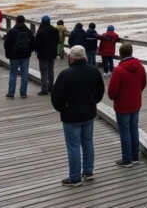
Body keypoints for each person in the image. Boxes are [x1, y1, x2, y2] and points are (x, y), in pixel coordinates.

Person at [51, 45, 104, 187]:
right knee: (88, 142)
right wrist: (92, 102)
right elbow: (100, 92)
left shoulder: (65, 74)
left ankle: (75, 178)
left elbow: (56, 97)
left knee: (73, 146)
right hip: (89, 113)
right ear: (85, 56)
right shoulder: (94, 71)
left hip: (71, 116)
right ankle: (88, 172)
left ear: (71, 58)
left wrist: (63, 109)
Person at [107, 42, 146, 167]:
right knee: (134, 129)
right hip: (136, 103)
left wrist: (115, 97)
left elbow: (112, 92)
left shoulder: (119, 70)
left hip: (122, 105)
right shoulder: (140, 66)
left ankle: (127, 159)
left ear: (120, 54)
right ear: (131, 52)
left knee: (124, 131)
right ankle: (135, 156)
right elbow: (143, 83)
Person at [3, 15, 35, 98]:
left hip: (14, 56)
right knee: (24, 74)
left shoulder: (12, 31)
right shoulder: (28, 31)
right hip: (25, 56)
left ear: (16, 21)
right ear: (24, 21)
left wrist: (8, 54)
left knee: (13, 74)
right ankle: (23, 93)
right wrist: (29, 52)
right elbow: (33, 43)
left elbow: (6, 44)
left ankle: (11, 93)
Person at [34, 15, 60, 95]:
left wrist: (36, 50)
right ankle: (51, 87)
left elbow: (37, 43)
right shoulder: (54, 30)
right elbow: (57, 41)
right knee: (51, 70)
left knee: (43, 71)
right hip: (52, 53)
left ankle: (44, 89)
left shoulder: (40, 31)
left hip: (42, 54)